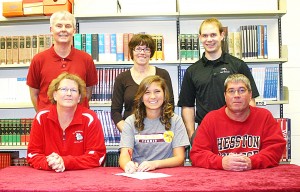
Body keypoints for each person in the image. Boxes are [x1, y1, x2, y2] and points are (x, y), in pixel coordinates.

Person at [178, 18, 259, 142]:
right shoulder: (192, 71)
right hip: (205, 131)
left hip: (236, 130)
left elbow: (250, 101)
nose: (209, 39)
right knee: (205, 162)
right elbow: (187, 106)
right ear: (200, 37)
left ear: (222, 35)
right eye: (205, 35)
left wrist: (249, 129)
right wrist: (192, 134)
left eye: (213, 35)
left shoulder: (238, 65)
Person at [190, 74, 286, 171]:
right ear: (225, 96)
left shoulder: (265, 117)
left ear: (250, 95)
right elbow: (197, 154)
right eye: (231, 91)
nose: (236, 95)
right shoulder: (211, 119)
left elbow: (275, 150)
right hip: (220, 180)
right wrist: (221, 162)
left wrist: (252, 162)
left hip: (257, 176)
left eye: (242, 90)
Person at [27, 72, 106, 172]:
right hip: (48, 177)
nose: (68, 93)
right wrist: (51, 163)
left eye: (73, 90)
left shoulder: (90, 118)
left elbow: (97, 156)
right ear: (55, 95)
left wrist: (65, 162)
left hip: (81, 178)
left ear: (79, 97)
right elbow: (33, 154)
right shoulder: (41, 117)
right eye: (64, 89)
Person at [26, 11, 98, 112]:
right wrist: (43, 117)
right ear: (51, 30)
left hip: (79, 120)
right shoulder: (38, 60)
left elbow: (87, 93)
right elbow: (34, 94)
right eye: (59, 26)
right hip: (48, 121)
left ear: (74, 30)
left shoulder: (86, 59)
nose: (63, 30)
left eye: (68, 26)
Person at [119, 75, 189, 174]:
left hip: (168, 174)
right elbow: (124, 155)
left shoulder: (175, 120)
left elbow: (179, 158)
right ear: (141, 98)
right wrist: (127, 164)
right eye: (147, 92)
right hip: (140, 173)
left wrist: (154, 164)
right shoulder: (130, 121)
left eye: (157, 91)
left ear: (164, 95)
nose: (153, 96)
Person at [111, 34, 174, 132]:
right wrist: (127, 131)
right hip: (131, 130)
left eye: (146, 49)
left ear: (151, 52)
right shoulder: (122, 78)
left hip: (159, 131)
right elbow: (115, 111)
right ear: (132, 52)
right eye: (138, 49)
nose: (142, 52)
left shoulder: (163, 74)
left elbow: (170, 104)